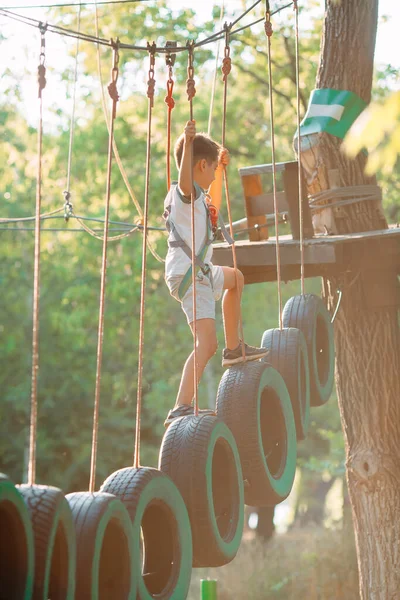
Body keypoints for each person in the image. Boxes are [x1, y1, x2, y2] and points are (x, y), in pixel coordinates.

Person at [163, 120, 267, 427]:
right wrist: (187, 139)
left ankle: (234, 348)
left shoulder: (197, 196)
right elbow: (185, 175)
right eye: (210, 169)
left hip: (202, 271)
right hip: (188, 275)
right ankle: (180, 406)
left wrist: (219, 170)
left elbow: (212, 200)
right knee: (205, 344)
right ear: (199, 165)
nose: (211, 176)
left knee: (236, 277)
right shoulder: (183, 195)